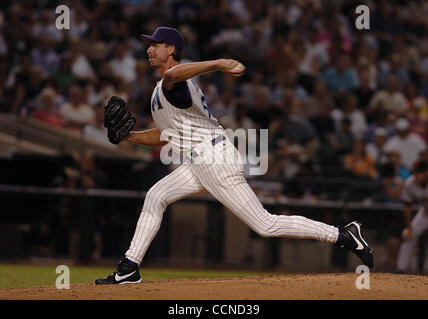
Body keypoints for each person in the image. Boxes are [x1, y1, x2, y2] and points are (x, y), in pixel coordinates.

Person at [95, 26, 373, 285]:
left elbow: (174, 75)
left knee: (265, 224)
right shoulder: (162, 89)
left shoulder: (174, 79)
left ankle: (342, 234)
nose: (149, 49)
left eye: (155, 44)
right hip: (199, 161)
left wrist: (218, 63)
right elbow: (166, 134)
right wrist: (130, 136)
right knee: (156, 196)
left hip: (214, 159)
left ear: (171, 50)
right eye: (149, 45)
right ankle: (130, 267)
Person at [396, 160, 428, 273]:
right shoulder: (410, 183)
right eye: (415, 172)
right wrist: (409, 228)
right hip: (425, 214)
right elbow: (406, 207)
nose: (416, 175)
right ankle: (401, 269)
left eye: (419, 172)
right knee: (408, 237)